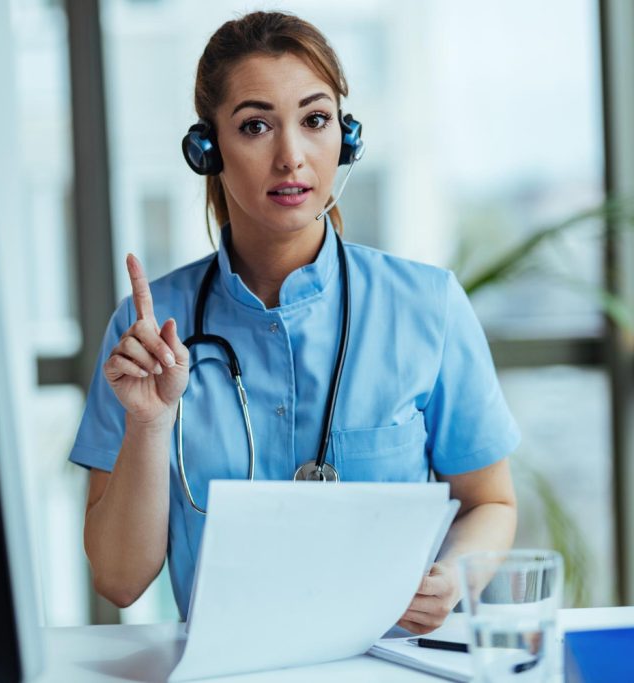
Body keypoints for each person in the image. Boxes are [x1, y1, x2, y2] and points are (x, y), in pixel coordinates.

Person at [68, 10, 519, 635]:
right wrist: (149, 423)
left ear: (347, 138)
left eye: (315, 120)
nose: (291, 157)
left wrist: (456, 574)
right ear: (207, 149)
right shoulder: (148, 333)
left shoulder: (428, 305)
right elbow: (120, 581)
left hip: (385, 665)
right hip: (224, 671)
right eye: (255, 126)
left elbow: (490, 503)